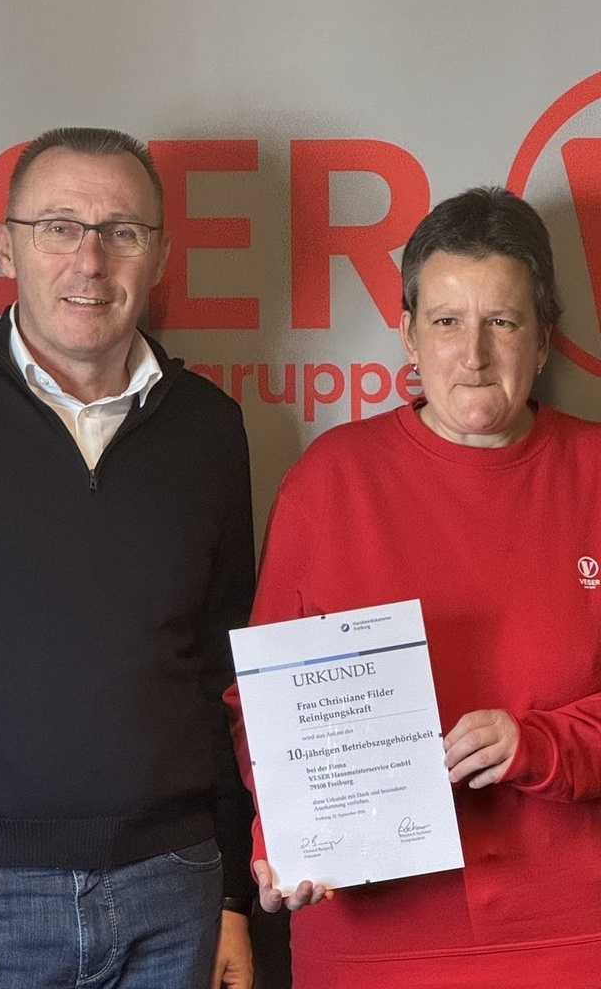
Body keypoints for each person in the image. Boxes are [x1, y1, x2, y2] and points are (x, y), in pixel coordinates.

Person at [0, 127, 256, 989]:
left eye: (122, 232)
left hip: (176, 894)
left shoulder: (210, 428)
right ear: (6, 244)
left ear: (160, 253)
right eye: (59, 227)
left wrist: (232, 900)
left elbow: (224, 674)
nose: (89, 261)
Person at [225, 187, 601, 987]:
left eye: (503, 322)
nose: (474, 354)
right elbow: (262, 705)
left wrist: (538, 745)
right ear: (407, 334)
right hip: (370, 938)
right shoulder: (330, 481)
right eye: (447, 321)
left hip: (575, 934)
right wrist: (282, 832)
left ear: (544, 338)